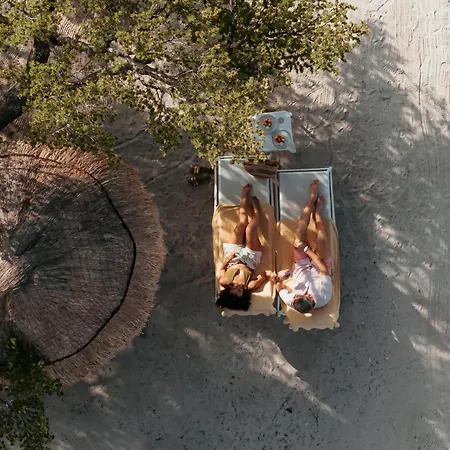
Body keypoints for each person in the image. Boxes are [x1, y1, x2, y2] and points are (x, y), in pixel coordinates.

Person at [275, 179, 333, 314]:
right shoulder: (324, 296)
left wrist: (279, 278)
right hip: (321, 265)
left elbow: (279, 289)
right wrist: (305, 249)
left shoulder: (291, 300)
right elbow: (324, 270)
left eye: (296, 296)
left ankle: (311, 200)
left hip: (301, 263)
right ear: (311, 298)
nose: (296, 294)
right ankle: (317, 214)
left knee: (301, 229)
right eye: (306, 295)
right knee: (322, 237)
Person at [216, 184, 274, 311]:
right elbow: (265, 274)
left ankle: (244, 196)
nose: (239, 288)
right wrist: (272, 275)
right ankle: (257, 211)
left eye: (235, 290)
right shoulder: (250, 286)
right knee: (250, 229)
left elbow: (222, 268)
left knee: (242, 223)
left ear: (229, 292)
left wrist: (229, 258)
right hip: (251, 258)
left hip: (233, 254)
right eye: (240, 291)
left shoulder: (224, 282)